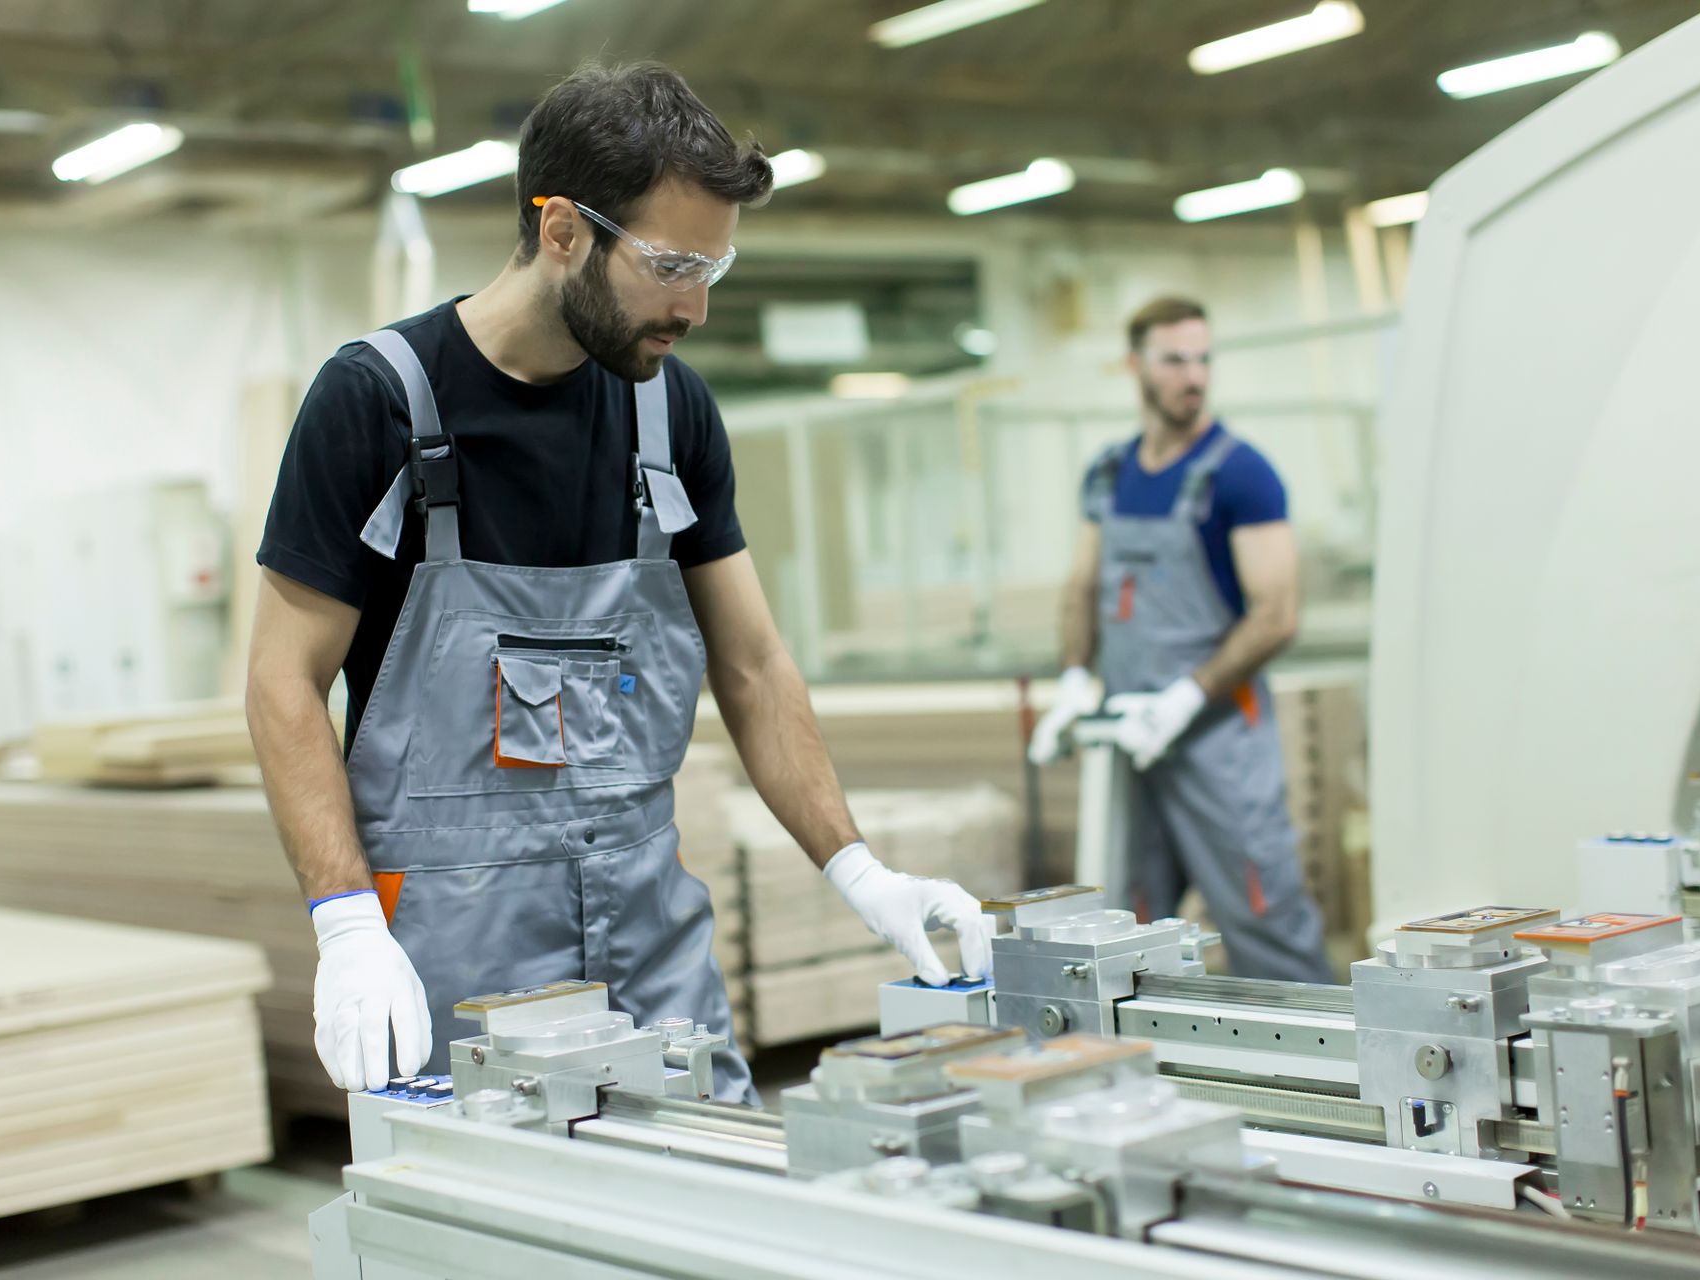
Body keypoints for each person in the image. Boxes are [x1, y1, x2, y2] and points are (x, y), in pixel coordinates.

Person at [245, 62, 991, 1104]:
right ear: (561, 232)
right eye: (673, 263)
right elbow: (283, 678)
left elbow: (755, 661)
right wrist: (346, 920)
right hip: (457, 949)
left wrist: (860, 870)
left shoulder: (668, 415)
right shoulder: (378, 404)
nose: (694, 304)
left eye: (714, 270)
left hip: (651, 936)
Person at [1028, 295, 1333, 983]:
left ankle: (1323, 1076)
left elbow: (1277, 614)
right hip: (1132, 739)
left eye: (1203, 359)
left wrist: (1185, 700)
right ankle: (1141, 1081)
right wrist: (1076, 679)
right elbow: (1082, 586)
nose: (1193, 377)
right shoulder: (1109, 474)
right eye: (1173, 360)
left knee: (1262, 912)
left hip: (1217, 739)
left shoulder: (1241, 474)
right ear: (1134, 365)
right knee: (1130, 921)